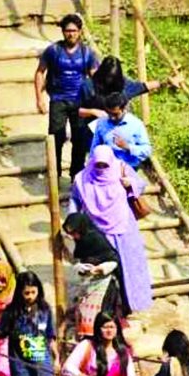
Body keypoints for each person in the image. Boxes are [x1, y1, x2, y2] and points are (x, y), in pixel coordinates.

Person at [70, 145, 153, 313]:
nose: (101, 168)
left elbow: (140, 184)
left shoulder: (121, 168)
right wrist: (73, 220)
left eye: (104, 165)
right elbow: (75, 200)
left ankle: (131, 306)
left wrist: (130, 184)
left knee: (129, 269)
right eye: (98, 165)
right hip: (97, 234)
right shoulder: (82, 179)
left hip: (124, 229)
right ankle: (104, 312)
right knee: (101, 274)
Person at [34, 14, 100, 179]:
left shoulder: (87, 53)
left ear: (79, 32)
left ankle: (76, 175)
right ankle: (54, 174)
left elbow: (96, 77)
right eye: (67, 31)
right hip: (58, 99)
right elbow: (40, 73)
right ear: (63, 32)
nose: (71, 34)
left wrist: (100, 102)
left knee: (79, 138)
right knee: (56, 137)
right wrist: (39, 99)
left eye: (74, 31)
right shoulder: (53, 51)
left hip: (80, 101)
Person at [62, 212, 124, 339]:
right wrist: (81, 267)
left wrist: (99, 269)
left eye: (75, 232)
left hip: (104, 285)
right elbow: (78, 260)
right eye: (71, 234)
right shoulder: (80, 242)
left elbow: (113, 260)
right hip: (88, 283)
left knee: (102, 315)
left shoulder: (96, 239)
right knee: (85, 313)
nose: (74, 236)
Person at [88, 92, 152, 169]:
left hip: (128, 169)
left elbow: (147, 150)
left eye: (115, 114)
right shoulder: (101, 123)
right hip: (107, 169)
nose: (112, 118)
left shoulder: (136, 125)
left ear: (124, 109)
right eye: (109, 113)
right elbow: (95, 147)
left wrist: (128, 147)